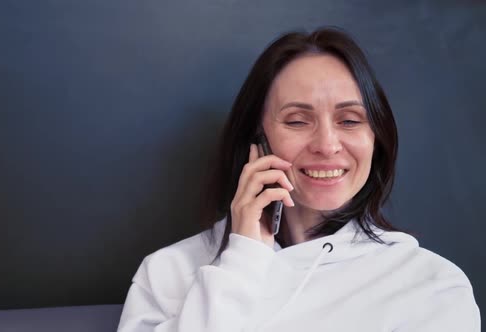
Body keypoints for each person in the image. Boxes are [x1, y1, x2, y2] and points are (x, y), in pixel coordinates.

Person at [116, 27, 481, 331]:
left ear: (376, 139)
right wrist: (242, 258)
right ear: (257, 140)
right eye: (296, 120)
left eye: (350, 120)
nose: (326, 144)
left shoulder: (433, 285)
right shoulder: (166, 273)